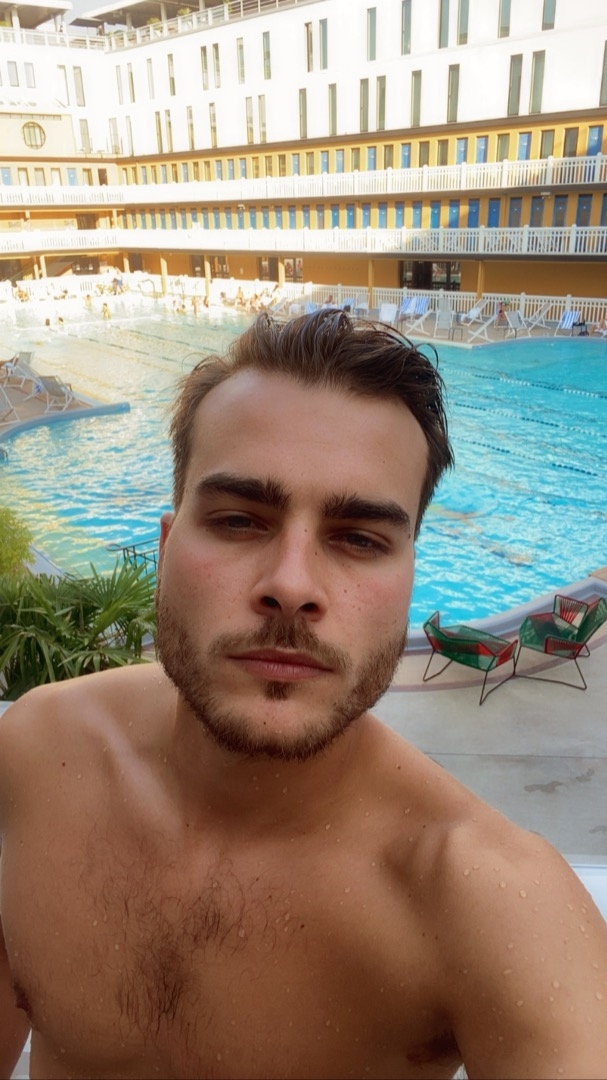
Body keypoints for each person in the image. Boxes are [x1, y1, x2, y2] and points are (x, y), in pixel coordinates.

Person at [0, 309, 606, 1080]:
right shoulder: (37, 756)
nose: (290, 584)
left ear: (408, 580)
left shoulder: (482, 901)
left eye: (358, 538)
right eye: (237, 520)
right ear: (166, 549)